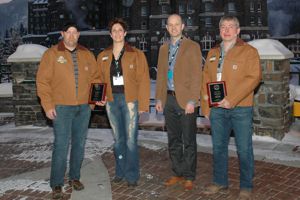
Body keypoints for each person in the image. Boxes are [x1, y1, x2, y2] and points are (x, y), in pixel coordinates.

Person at [201, 15, 261, 200]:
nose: (226, 30)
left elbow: (254, 78)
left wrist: (232, 99)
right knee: (218, 147)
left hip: (240, 108)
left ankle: (246, 185)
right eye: (223, 27)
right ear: (219, 30)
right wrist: (206, 107)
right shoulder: (212, 53)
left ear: (238, 30)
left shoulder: (249, 51)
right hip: (217, 109)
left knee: (243, 148)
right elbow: (206, 79)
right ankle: (220, 182)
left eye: (230, 27)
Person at [36, 22, 99, 199]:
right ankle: (57, 183)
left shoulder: (87, 54)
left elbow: (96, 78)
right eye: (68, 33)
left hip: (83, 108)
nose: (71, 36)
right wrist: (48, 105)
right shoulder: (52, 54)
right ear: (62, 34)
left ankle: (74, 178)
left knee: (79, 145)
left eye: (75, 33)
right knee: (61, 146)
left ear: (78, 34)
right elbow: (42, 82)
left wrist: (92, 103)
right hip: (61, 108)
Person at [96, 18, 150, 187]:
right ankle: (120, 171)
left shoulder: (136, 54)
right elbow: (98, 78)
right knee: (118, 140)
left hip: (130, 101)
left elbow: (144, 80)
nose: (117, 33)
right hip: (111, 102)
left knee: (130, 140)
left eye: (120, 30)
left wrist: (143, 105)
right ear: (110, 34)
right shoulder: (103, 56)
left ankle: (132, 175)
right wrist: (99, 96)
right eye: (114, 30)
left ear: (125, 33)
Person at [155, 14, 202, 191]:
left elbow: (197, 75)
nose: (174, 27)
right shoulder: (163, 49)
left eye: (177, 24)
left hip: (186, 101)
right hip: (169, 99)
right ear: (167, 27)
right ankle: (177, 172)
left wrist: (192, 100)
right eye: (170, 25)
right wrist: (159, 98)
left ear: (183, 26)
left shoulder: (192, 46)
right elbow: (160, 76)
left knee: (188, 139)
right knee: (173, 139)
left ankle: (189, 175)